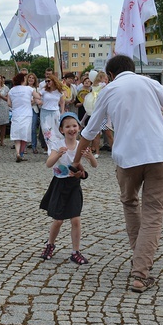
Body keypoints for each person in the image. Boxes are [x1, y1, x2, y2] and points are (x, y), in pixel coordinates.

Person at [71, 55, 163, 293]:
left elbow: (91, 129)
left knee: (130, 203)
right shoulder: (149, 82)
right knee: (154, 213)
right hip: (158, 154)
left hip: (127, 158)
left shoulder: (109, 90)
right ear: (132, 70)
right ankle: (141, 270)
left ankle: (140, 262)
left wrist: (76, 162)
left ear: (111, 74)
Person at [39, 112, 97, 265]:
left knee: (76, 219)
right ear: (62, 129)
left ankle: (75, 252)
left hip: (74, 186)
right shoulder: (57, 144)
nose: (71, 129)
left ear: (79, 128)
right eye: (68, 126)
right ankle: (50, 245)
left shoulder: (80, 146)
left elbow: (94, 165)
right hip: (59, 184)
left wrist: (90, 157)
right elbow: (48, 164)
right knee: (58, 220)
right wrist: (58, 154)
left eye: (74, 126)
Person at [8, 73, 34, 162]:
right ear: (23, 80)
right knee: (24, 135)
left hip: (16, 114)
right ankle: (21, 154)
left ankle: (17, 153)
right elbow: (38, 96)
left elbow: (9, 103)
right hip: (26, 114)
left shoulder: (11, 90)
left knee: (17, 135)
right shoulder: (29, 89)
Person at [37, 73, 66, 151]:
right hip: (45, 113)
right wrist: (38, 101)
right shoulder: (44, 90)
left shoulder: (59, 91)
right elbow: (36, 96)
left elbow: (62, 102)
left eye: (49, 81)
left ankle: (58, 147)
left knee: (56, 131)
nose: (47, 83)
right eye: (46, 81)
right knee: (47, 131)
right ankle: (50, 149)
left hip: (55, 112)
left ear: (53, 81)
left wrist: (62, 111)